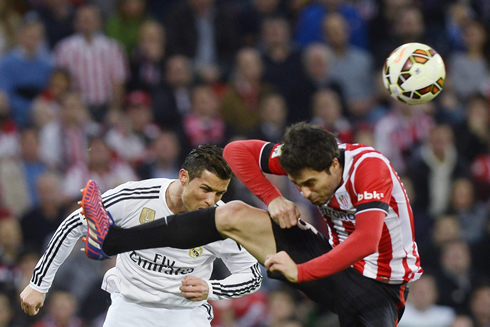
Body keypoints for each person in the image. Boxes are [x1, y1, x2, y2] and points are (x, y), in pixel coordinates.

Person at [77, 122, 422, 326]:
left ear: (334, 166)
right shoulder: (306, 157)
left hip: (380, 291)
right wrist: (273, 198)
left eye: (311, 185)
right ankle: (112, 239)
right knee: (232, 214)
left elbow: (365, 241)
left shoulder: (369, 169)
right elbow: (236, 151)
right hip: (329, 259)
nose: (304, 193)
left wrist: (300, 272)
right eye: (297, 184)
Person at [19, 145, 262, 327]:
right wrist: (38, 283)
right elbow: (73, 224)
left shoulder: (221, 219)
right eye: (206, 189)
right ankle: (109, 238)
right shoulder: (136, 196)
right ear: (184, 176)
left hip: (185, 315)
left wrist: (211, 288)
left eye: (219, 193)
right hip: (130, 310)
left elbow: (252, 277)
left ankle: (109, 239)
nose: (211, 200)